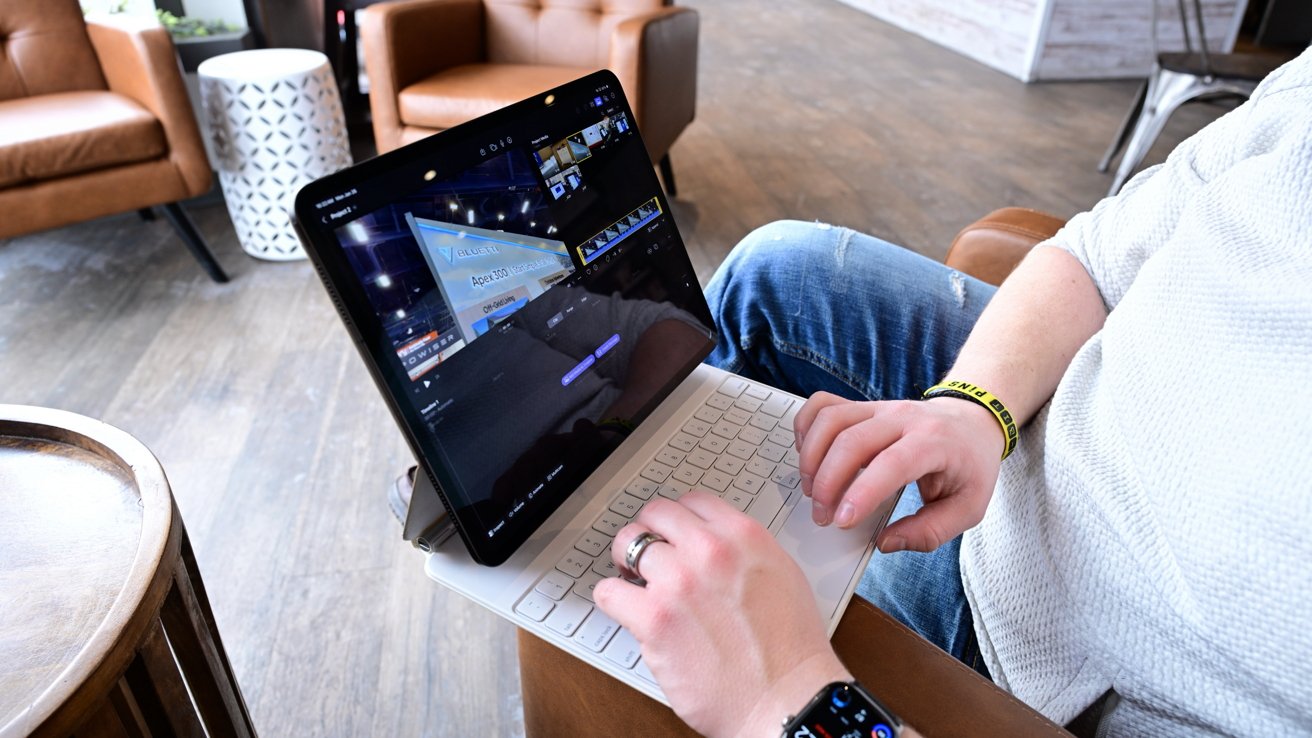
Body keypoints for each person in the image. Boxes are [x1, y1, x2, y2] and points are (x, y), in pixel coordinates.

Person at [593, 47, 1312, 737]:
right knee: (772, 275)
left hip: (1036, 649)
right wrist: (976, 407)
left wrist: (787, 700)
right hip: (1058, 408)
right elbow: (1093, 255)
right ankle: (600, 489)